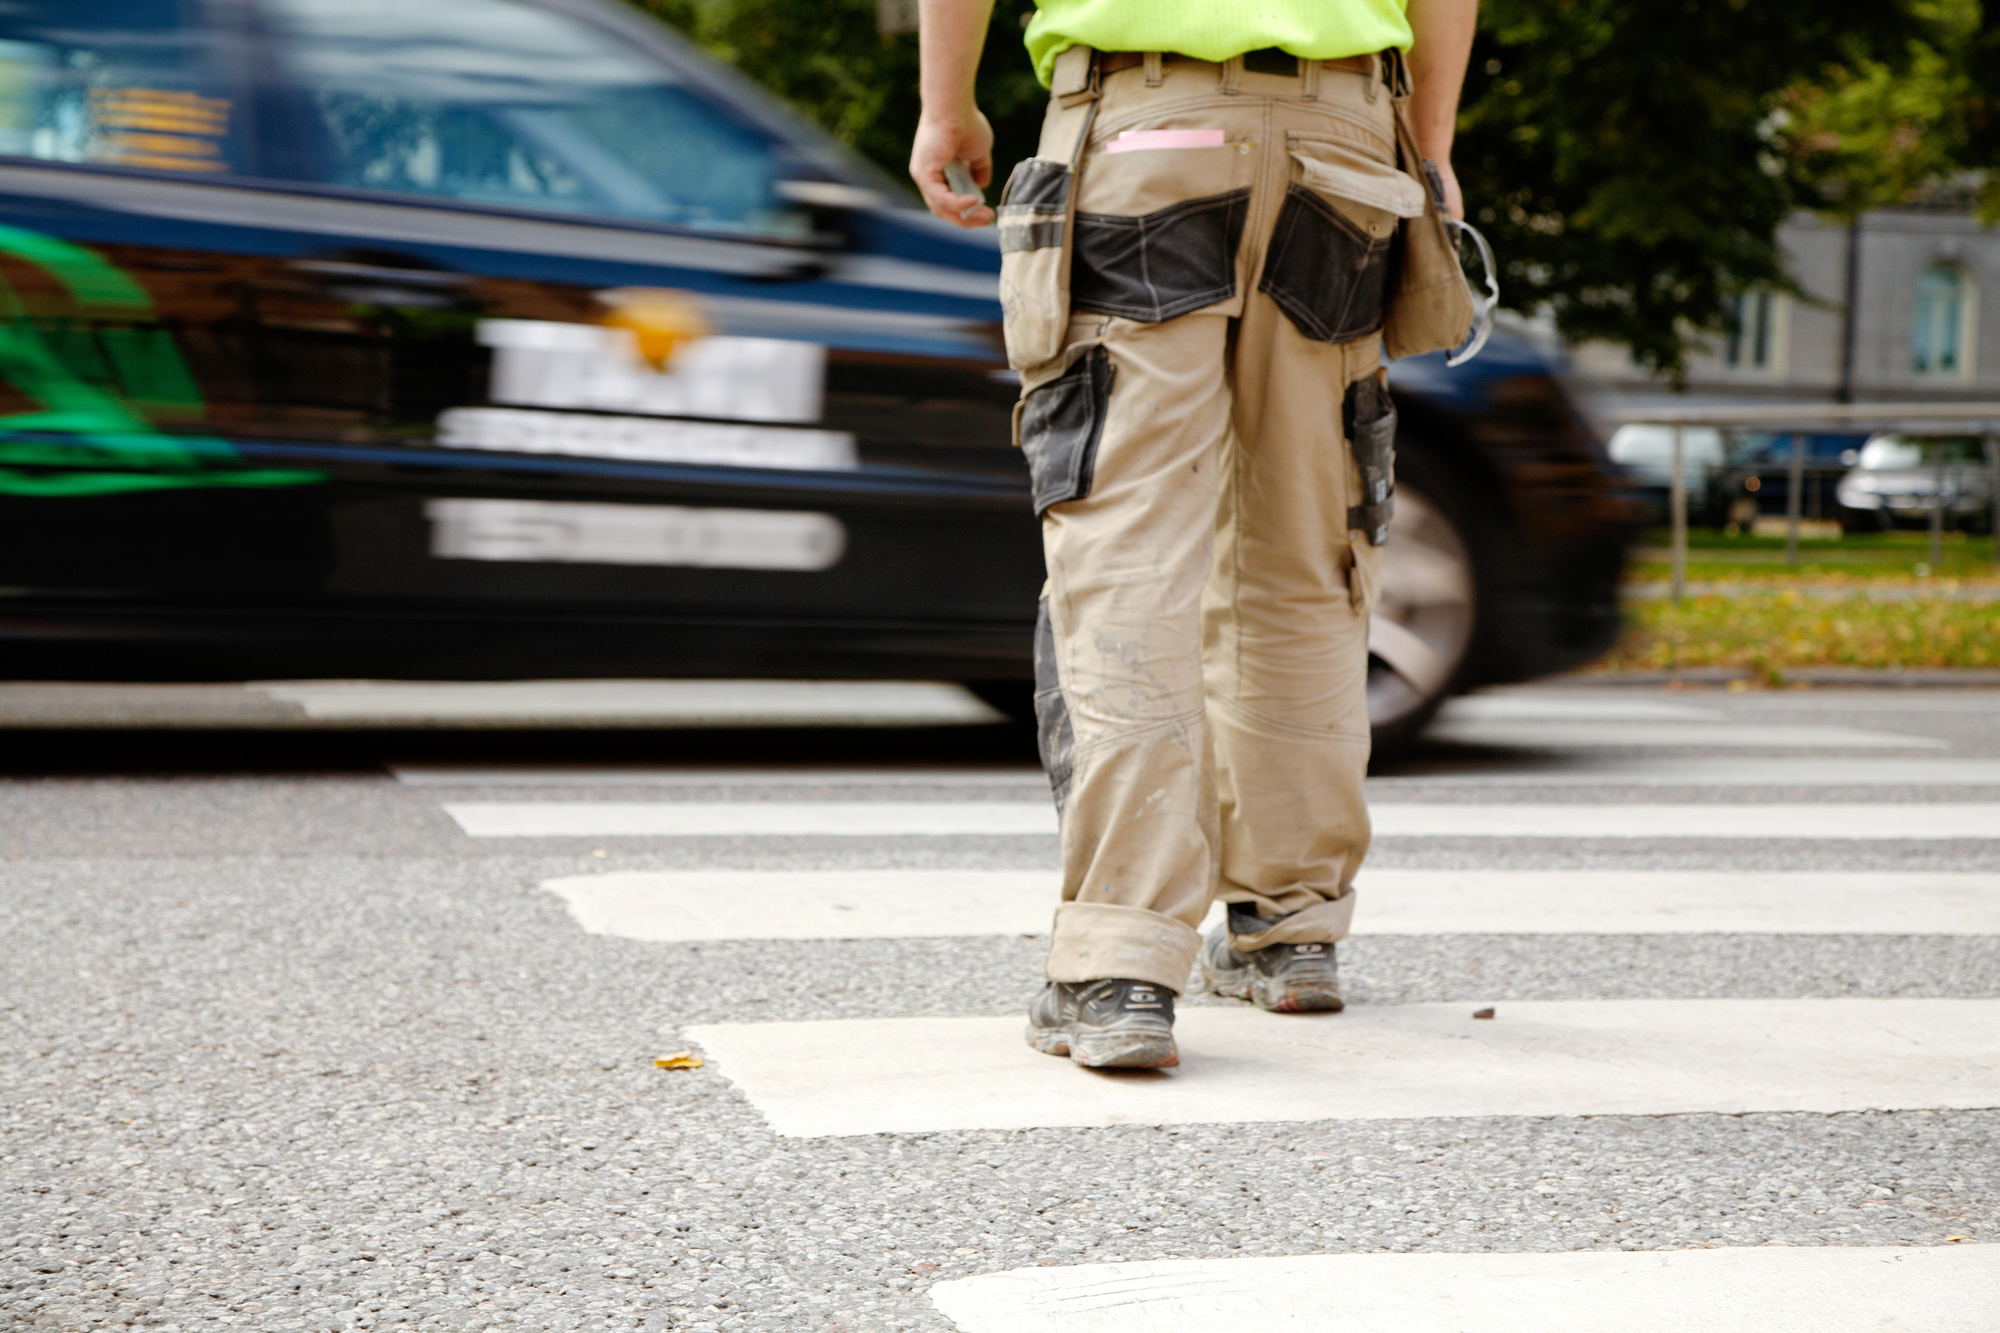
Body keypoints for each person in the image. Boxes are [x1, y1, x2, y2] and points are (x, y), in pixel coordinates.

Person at [912, 0, 1478, 1068]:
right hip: (1344, 143)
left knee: (1127, 544)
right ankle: (1290, 926)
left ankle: (1120, 962)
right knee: (1306, 545)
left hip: (1144, 123)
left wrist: (946, 105)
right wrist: (1432, 146)